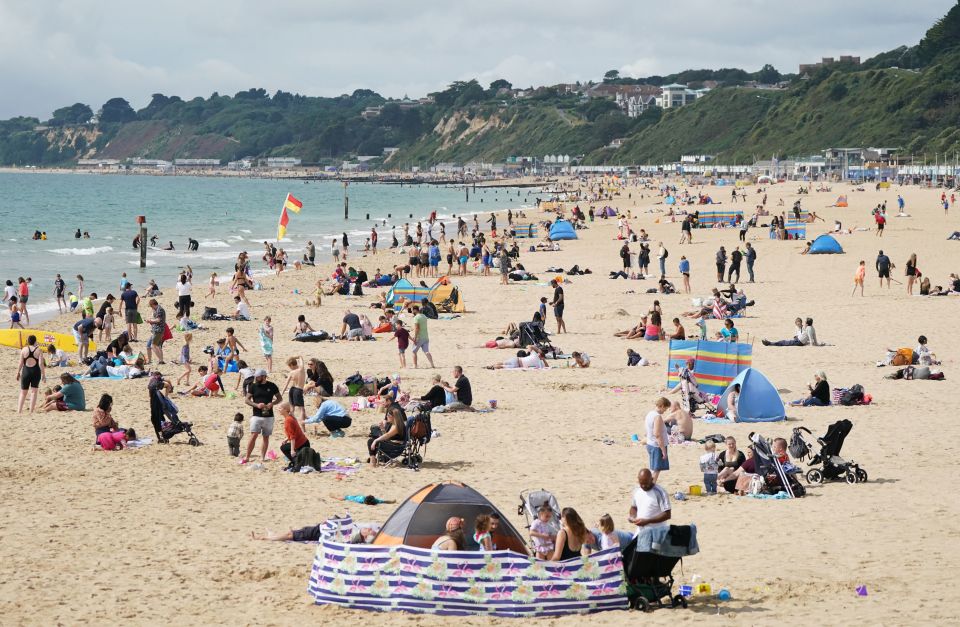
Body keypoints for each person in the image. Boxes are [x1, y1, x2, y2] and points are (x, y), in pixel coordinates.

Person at [242, 370, 282, 463]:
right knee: (254, 435)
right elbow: (247, 400)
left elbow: (280, 398)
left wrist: (272, 403)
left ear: (264, 376)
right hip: (256, 415)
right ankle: (247, 457)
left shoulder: (272, 385)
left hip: (269, 415)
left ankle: (262, 457)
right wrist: (256, 405)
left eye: (258, 377)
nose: (256, 378)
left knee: (266, 437)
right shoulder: (253, 386)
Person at [367, 401, 406, 465]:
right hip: (393, 444)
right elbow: (387, 436)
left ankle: (372, 461)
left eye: (388, 415)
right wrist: (382, 428)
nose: (386, 417)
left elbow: (387, 435)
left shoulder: (397, 426)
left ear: (393, 417)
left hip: (395, 448)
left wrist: (375, 441)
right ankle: (373, 458)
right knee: (374, 437)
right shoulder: (393, 424)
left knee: (371, 441)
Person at [16, 334, 45, 413]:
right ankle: (31, 411)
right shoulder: (39, 350)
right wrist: (43, 374)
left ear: (28, 342)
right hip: (35, 371)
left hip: (26, 371)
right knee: (34, 391)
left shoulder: (24, 350)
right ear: (35, 341)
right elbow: (41, 364)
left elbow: (21, 363)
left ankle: (19, 411)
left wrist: (18, 372)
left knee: (23, 392)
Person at [276, 401, 310, 466]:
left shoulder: (288, 420)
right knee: (285, 446)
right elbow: (296, 432)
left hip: (301, 445)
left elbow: (292, 437)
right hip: (305, 443)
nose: (278, 410)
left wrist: (292, 451)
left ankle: (296, 462)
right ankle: (298, 459)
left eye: (280, 408)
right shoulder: (291, 417)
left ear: (285, 410)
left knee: (283, 448)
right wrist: (286, 439)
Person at [645, 397, 670, 482]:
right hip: (656, 446)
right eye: (665, 409)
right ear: (662, 406)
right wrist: (663, 450)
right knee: (656, 469)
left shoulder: (650, 414)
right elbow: (657, 434)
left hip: (650, 443)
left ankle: (650, 486)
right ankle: (651, 487)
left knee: (654, 468)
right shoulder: (657, 417)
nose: (665, 411)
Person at [281, 356, 307, 428]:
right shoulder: (301, 369)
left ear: (292, 365)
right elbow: (301, 356)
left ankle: (293, 426)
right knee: (301, 410)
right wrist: (294, 357)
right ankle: (303, 428)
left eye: (289, 366)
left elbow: (286, 384)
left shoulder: (291, 372)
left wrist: (282, 393)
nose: (290, 368)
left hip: (292, 390)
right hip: (298, 390)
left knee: (292, 410)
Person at [145, 298, 167, 365]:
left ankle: (161, 360)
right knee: (148, 346)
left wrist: (150, 321)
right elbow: (156, 319)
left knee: (154, 345)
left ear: (153, 304)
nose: (151, 308)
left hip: (158, 330)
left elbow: (158, 320)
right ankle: (149, 360)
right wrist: (150, 320)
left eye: (151, 306)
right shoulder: (156, 310)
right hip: (155, 330)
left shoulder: (160, 310)